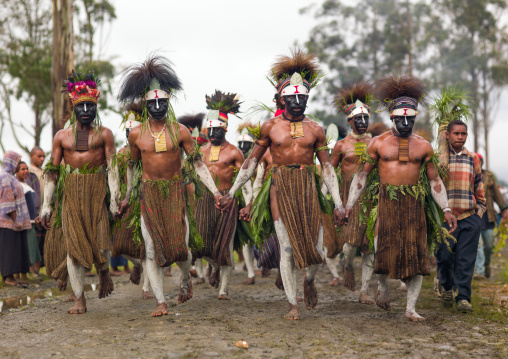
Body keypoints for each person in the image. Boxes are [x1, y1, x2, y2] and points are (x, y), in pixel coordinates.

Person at [219, 49, 345, 320]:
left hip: (307, 185)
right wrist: (231, 193)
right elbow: (251, 163)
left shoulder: (316, 129)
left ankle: (309, 279)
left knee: (317, 250)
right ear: (282, 99)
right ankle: (292, 304)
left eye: (302, 98)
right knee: (286, 249)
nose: (298, 102)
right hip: (280, 186)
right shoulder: (270, 127)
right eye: (292, 98)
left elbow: (326, 168)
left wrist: (338, 202)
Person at [345, 74, 457, 322]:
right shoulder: (378, 143)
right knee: (381, 249)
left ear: (415, 117)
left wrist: (446, 208)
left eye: (411, 118)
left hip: (414, 205)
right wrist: (349, 204)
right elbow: (362, 176)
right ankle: (383, 286)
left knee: (417, 254)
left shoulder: (423, 145)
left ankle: (410, 309)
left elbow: (434, 181)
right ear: (392, 117)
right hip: (386, 202)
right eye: (401, 118)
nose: (406, 122)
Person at [117, 55, 221, 316]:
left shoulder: (181, 131)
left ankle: (186, 279)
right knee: (151, 249)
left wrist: (216, 192)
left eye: (162, 102)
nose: (157, 107)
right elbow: (132, 166)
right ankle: (161, 301)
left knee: (181, 248)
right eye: (152, 103)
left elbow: (197, 163)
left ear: (168, 102)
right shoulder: (136, 134)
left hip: (175, 193)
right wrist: (128, 195)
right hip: (149, 194)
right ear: (145, 106)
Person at [40, 70, 120, 314]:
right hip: (72, 194)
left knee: (101, 240)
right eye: (81, 106)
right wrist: (46, 204)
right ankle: (79, 298)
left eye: (90, 106)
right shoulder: (61, 136)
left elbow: (112, 168)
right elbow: (53, 171)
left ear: (96, 107)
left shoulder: (105, 133)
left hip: (97, 192)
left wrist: (115, 198)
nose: (85, 110)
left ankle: (104, 271)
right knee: (73, 249)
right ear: (73, 108)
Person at [193, 90, 252, 298]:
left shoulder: (235, 151)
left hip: (228, 200)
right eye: (210, 130)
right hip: (204, 200)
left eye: (217, 130)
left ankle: (224, 289)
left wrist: (249, 203)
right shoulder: (201, 151)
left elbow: (245, 179)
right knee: (201, 241)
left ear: (225, 129)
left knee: (225, 243)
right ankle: (214, 266)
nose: (212, 134)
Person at [328, 80, 375, 304]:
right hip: (348, 198)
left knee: (370, 247)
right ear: (350, 121)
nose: (363, 122)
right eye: (359, 118)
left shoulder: (375, 144)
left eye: (366, 118)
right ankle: (347, 265)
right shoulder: (341, 145)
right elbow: (329, 170)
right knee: (350, 245)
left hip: (371, 198)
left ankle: (364, 290)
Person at [435, 119, 486, 312]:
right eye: (456, 133)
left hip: (468, 217)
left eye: (463, 134)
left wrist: (479, 213)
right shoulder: (438, 159)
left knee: (466, 260)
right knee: (444, 257)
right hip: (446, 219)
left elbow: (479, 187)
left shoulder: (473, 158)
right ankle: (447, 286)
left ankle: (463, 298)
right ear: (447, 135)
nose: (460, 137)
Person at [0, 151, 31, 288]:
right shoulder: (6, 177)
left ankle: (12, 277)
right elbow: (7, 200)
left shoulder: (11, 177)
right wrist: (15, 219)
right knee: (9, 249)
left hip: (13, 222)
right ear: (11, 162)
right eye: (18, 162)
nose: (19, 165)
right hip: (8, 222)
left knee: (14, 249)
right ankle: (8, 278)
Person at [474, 154, 508, 278]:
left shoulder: (489, 176)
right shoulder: (468, 174)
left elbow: (497, 194)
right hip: (473, 215)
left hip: (488, 216)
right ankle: (479, 271)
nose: (478, 162)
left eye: (479, 160)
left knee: (489, 245)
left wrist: (504, 209)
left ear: (482, 162)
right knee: (478, 245)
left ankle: (486, 264)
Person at [15, 161, 42, 279]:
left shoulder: (27, 186)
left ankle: (34, 272)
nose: (26, 171)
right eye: (22, 169)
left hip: (32, 222)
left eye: (26, 168)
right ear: (16, 171)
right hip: (24, 223)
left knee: (34, 249)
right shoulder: (17, 185)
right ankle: (26, 274)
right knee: (28, 249)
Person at [28, 146, 45, 271]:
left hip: (45, 211)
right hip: (34, 212)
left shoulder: (44, 171)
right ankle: (32, 271)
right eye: (39, 156)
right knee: (34, 241)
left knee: (42, 241)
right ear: (31, 156)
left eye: (43, 156)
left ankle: (39, 271)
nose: (42, 158)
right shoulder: (28, 172)